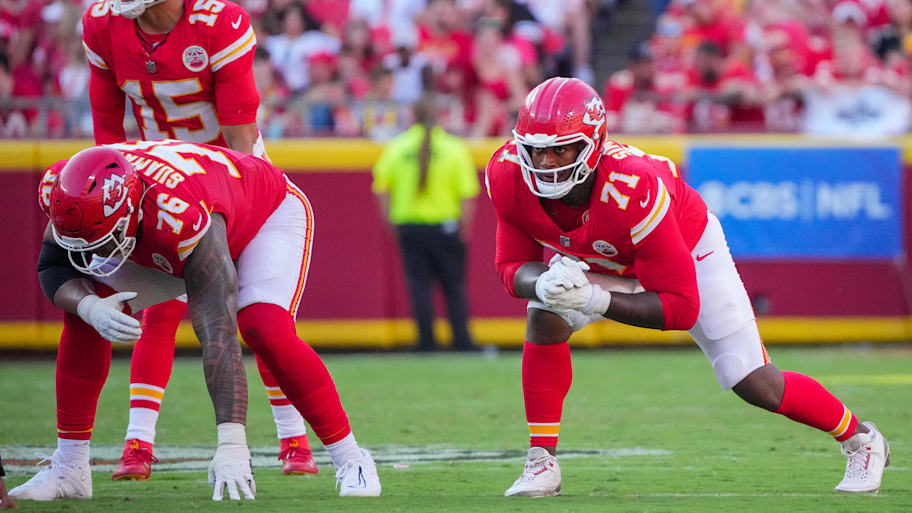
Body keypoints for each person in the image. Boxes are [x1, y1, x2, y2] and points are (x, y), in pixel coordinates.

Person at [486, 77, 890, 497]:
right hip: (605, 260)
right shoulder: (508, 173)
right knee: (545, 312)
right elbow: (511, 266)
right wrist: (543, 282)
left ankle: (862, 440)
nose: (546, 162)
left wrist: (592, 298)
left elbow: (681, 308)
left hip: (687, 251)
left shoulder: (633, 187)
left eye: (561, 149)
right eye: (536, 149)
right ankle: (542, 460)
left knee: (752, 380)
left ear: (593, 144)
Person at [9, 141, 381, 502]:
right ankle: (70, 467)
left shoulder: (179, 214)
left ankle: (352, 459)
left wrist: (231, 442)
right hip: (170, 225)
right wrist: (89, 306)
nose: (93, 252)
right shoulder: (63, 188)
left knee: (263, 327)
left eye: (101, 239)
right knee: (83, 313)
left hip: (264, 215)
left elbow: (218, 329)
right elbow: (53, 263)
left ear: (129, 212)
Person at [81, 0, 318, 478]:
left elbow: (240, 134)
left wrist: (234, 204)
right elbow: (107, 134)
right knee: (159, 312)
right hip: (157, 176)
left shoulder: (217, 21)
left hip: (231, 175)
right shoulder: (103, 23)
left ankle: (294, 438)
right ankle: (138, 443)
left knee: (261, 314)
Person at [372, 95, 479, 351]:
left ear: (413, 116)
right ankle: (462, 341)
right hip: (446, 226)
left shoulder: (397, 147)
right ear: (438, 115)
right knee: (454, 286)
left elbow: (381, 187)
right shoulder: (454, 148)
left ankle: (426, 342)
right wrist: (465, 227)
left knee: (419, 287)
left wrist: (390, 221)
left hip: (409, 225)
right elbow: (467, 193)